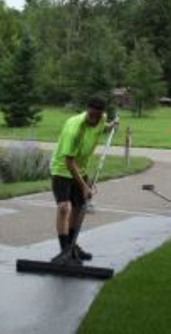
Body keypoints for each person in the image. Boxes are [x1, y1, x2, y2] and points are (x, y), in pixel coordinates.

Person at [50, 97, 118, 263]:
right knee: (64, 207)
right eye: (91, 116)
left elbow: (101, 126)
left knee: (79, 208)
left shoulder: (101, 119)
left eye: (98, 116)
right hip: (62, 169)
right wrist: (84, 186)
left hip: (80, 169)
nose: (94, 120)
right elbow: (68, 161)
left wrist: (111, 126)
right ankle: (65, 251)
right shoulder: (74, 129)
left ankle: (72, 246)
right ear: (87, 111)